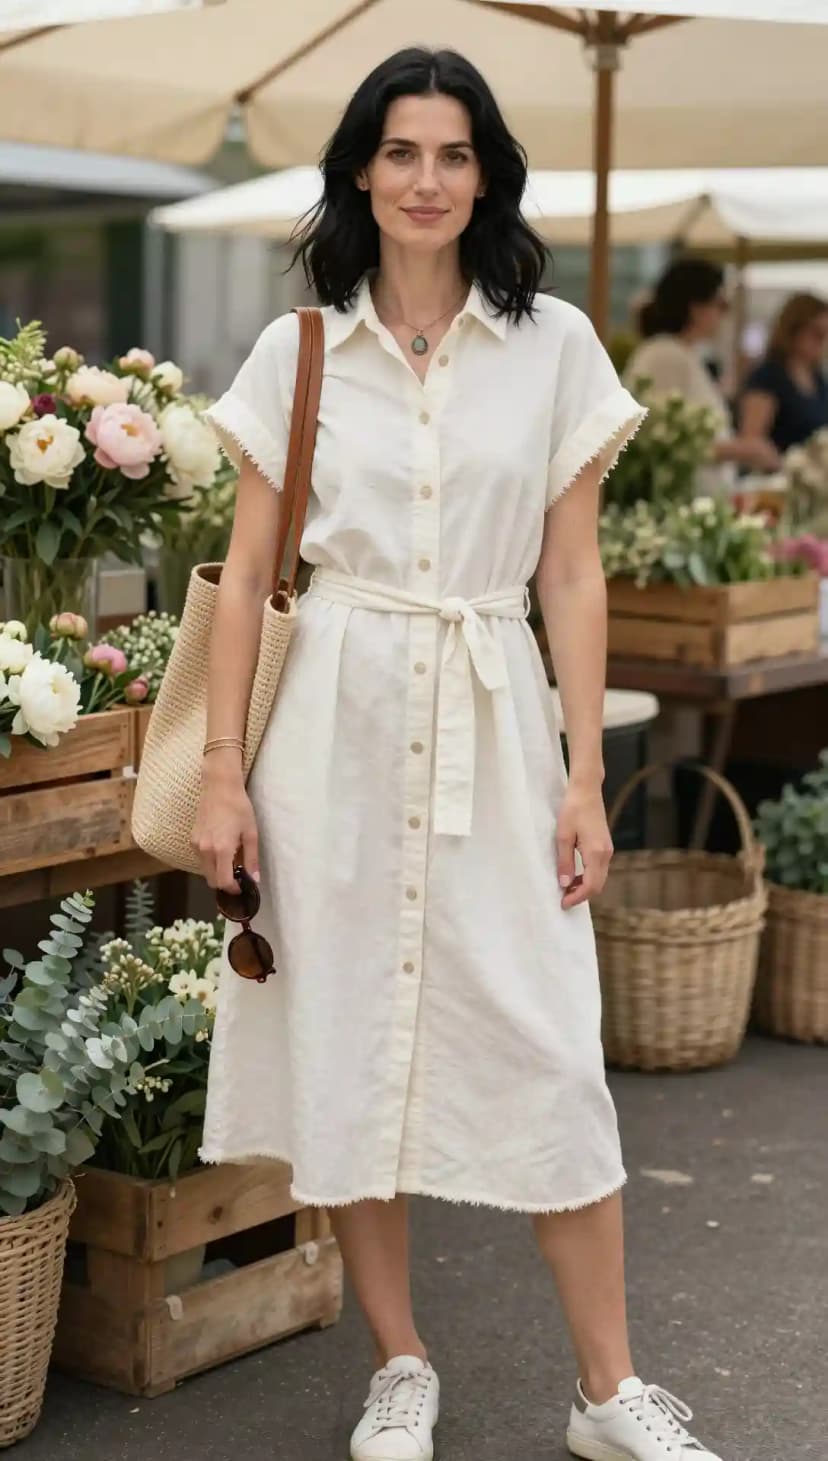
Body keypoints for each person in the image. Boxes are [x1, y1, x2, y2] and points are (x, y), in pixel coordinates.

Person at [194, 47, 723, 1461]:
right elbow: (245, 576)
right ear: (361, 171)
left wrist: (582, 774)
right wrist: (223, 775)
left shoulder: (553, 344)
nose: (427, 179)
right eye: (401, 151)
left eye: (453, 153)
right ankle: (402, 1364)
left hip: (491, 717)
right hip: (331, 742)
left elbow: (573, 576)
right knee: (353, 1038)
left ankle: (608, 1390)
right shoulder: (295, 352)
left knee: (554, 1047)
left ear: (486, 172)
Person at [625, 258, 780, 490]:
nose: (724, 314)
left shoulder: (683, 353)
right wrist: (744, 449)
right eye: (721, 304)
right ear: (696, 308)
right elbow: (664, 443)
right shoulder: (666, 355)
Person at [739, 291, 828, 453]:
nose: (822, 342)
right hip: (779, 474)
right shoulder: (767, 377)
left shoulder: (818, 378)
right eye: (817, 334)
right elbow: (751, 441)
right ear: (793, 329)